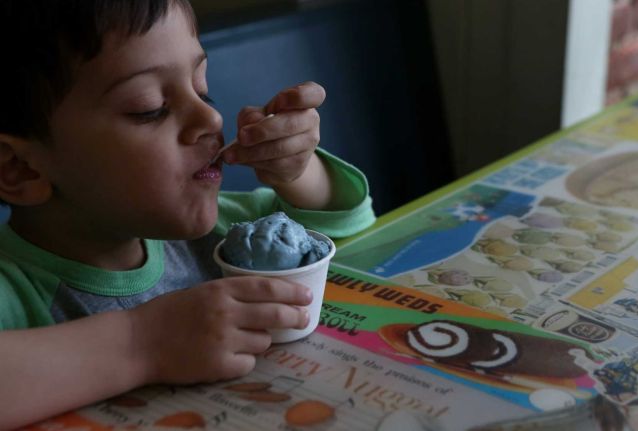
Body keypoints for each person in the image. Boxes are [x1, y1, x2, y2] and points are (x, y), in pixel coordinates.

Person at [0, 0, 375, 427]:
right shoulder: (13, 291)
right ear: (21, 168)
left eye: (202, 87)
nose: (211, 116)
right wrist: (144, 344)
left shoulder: (223, 232)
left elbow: (342, 223)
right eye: (150, 108)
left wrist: (298, 170)